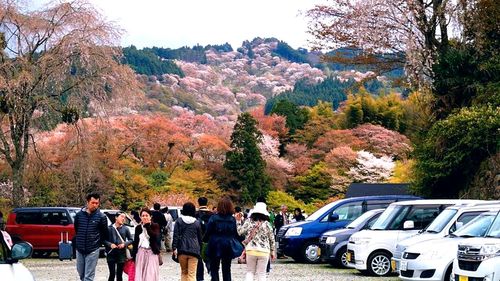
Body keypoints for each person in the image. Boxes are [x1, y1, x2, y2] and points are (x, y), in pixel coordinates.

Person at [203, 197, 241, 281]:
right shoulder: (232, 219)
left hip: (215, 244)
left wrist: (203, 241)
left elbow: (208, 232)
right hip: (228, 244)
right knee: (227, 269)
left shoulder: (213, 218)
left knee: (214, 268)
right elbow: (235, 233)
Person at [74, 192, 108, 281]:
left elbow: (104, 233)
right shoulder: (79, 215)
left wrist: (97, 244)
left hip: (93, 250)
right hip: (80, 248)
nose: (95, 205)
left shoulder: (101, 217)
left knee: (88, 276)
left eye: (97, 203)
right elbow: (76, 229)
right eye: (93, 203)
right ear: (87, 202)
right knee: (81, 273)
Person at [238, 202, 276, 281]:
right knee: (262, 273)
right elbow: (272, 239)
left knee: (250, 272)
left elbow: (240, 232)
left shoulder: (249, 221)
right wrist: (272, 251)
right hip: (264, 251)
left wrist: (238, 222)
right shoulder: (267, 224)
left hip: (251, 250)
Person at [173, 202, 203, 281]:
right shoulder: (197, 222)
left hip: (182, 250)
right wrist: (200, 249)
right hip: (194, 250)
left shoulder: (179, 221)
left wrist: (174, 248)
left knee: (184, 272)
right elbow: (200, 238)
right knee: (192, 274)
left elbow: (175, 236)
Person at [132, 208, 161, 281]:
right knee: (140, 274)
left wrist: (148, 226)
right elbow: (135, 242)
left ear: (150, 216)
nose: (144, 217)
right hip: (141, 252)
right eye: (143, 216)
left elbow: (155, 237)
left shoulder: (155, 225)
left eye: (146, 215)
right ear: (140, 217)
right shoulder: (138, 228)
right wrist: (133, 256)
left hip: (152, 252)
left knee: (150, 275)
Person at [105, 212, 133, 281]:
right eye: (122, 217)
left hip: (121, 253)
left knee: (119, 274)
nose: (123, 219)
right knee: (112, 274)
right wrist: (110, 245)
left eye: (124, 217)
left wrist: (124, 244)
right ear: (116, 217)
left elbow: (131, 240)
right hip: (111, 253)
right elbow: (103, 240)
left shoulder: (126, 229)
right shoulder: (109, 228)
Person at [196, 196, 213, 281]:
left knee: (198, 259)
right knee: (208, 258)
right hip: (209, 240)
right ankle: (211, 273)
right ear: (207, 203)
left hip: (197, 240)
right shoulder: (212, 215)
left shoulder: (195, 214)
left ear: (198, 203)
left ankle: (200, 278)